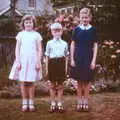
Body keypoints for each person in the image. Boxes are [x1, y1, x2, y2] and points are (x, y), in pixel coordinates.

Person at [9, 15, 43, 112]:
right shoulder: (20, 34)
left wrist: (38, 61)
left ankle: (31, 102)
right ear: (23, 24)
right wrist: (18, 61)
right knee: (23, 81)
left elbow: (39, 49)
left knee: (31, 82)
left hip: (33, 60)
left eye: (30, 22)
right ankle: (25, 102)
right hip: (22, 60)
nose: (28, 24)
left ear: (33, 24)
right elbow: (17, 48)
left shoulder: (36, 35)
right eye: (26, 22)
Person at [70, 7, 98, 112]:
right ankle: (79, 102)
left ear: (90, 18)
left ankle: (85, 102)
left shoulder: (93, 30)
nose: (84, 19)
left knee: (87, 82)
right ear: (79, 18)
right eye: (82, 17)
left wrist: (93, 60)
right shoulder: (76, 30)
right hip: (78, 58)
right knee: (79, 82)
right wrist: (72, 59)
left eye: (86, 17)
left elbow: (95, 46)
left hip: (88, 58)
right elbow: (72, 44)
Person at [45, 22, 69, 113]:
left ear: (61, 31)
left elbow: (66, 56)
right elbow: (47, 56)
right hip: (52, 64)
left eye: (59, 31)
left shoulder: (64, 43)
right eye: (55, 31)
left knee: (60, 86)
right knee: (52, 86)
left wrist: (66, 68)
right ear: (52, 32)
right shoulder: (49, 43)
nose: (57, 33)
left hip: (61, 64)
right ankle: (52, 104)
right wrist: (47, 68)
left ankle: (59, 104)